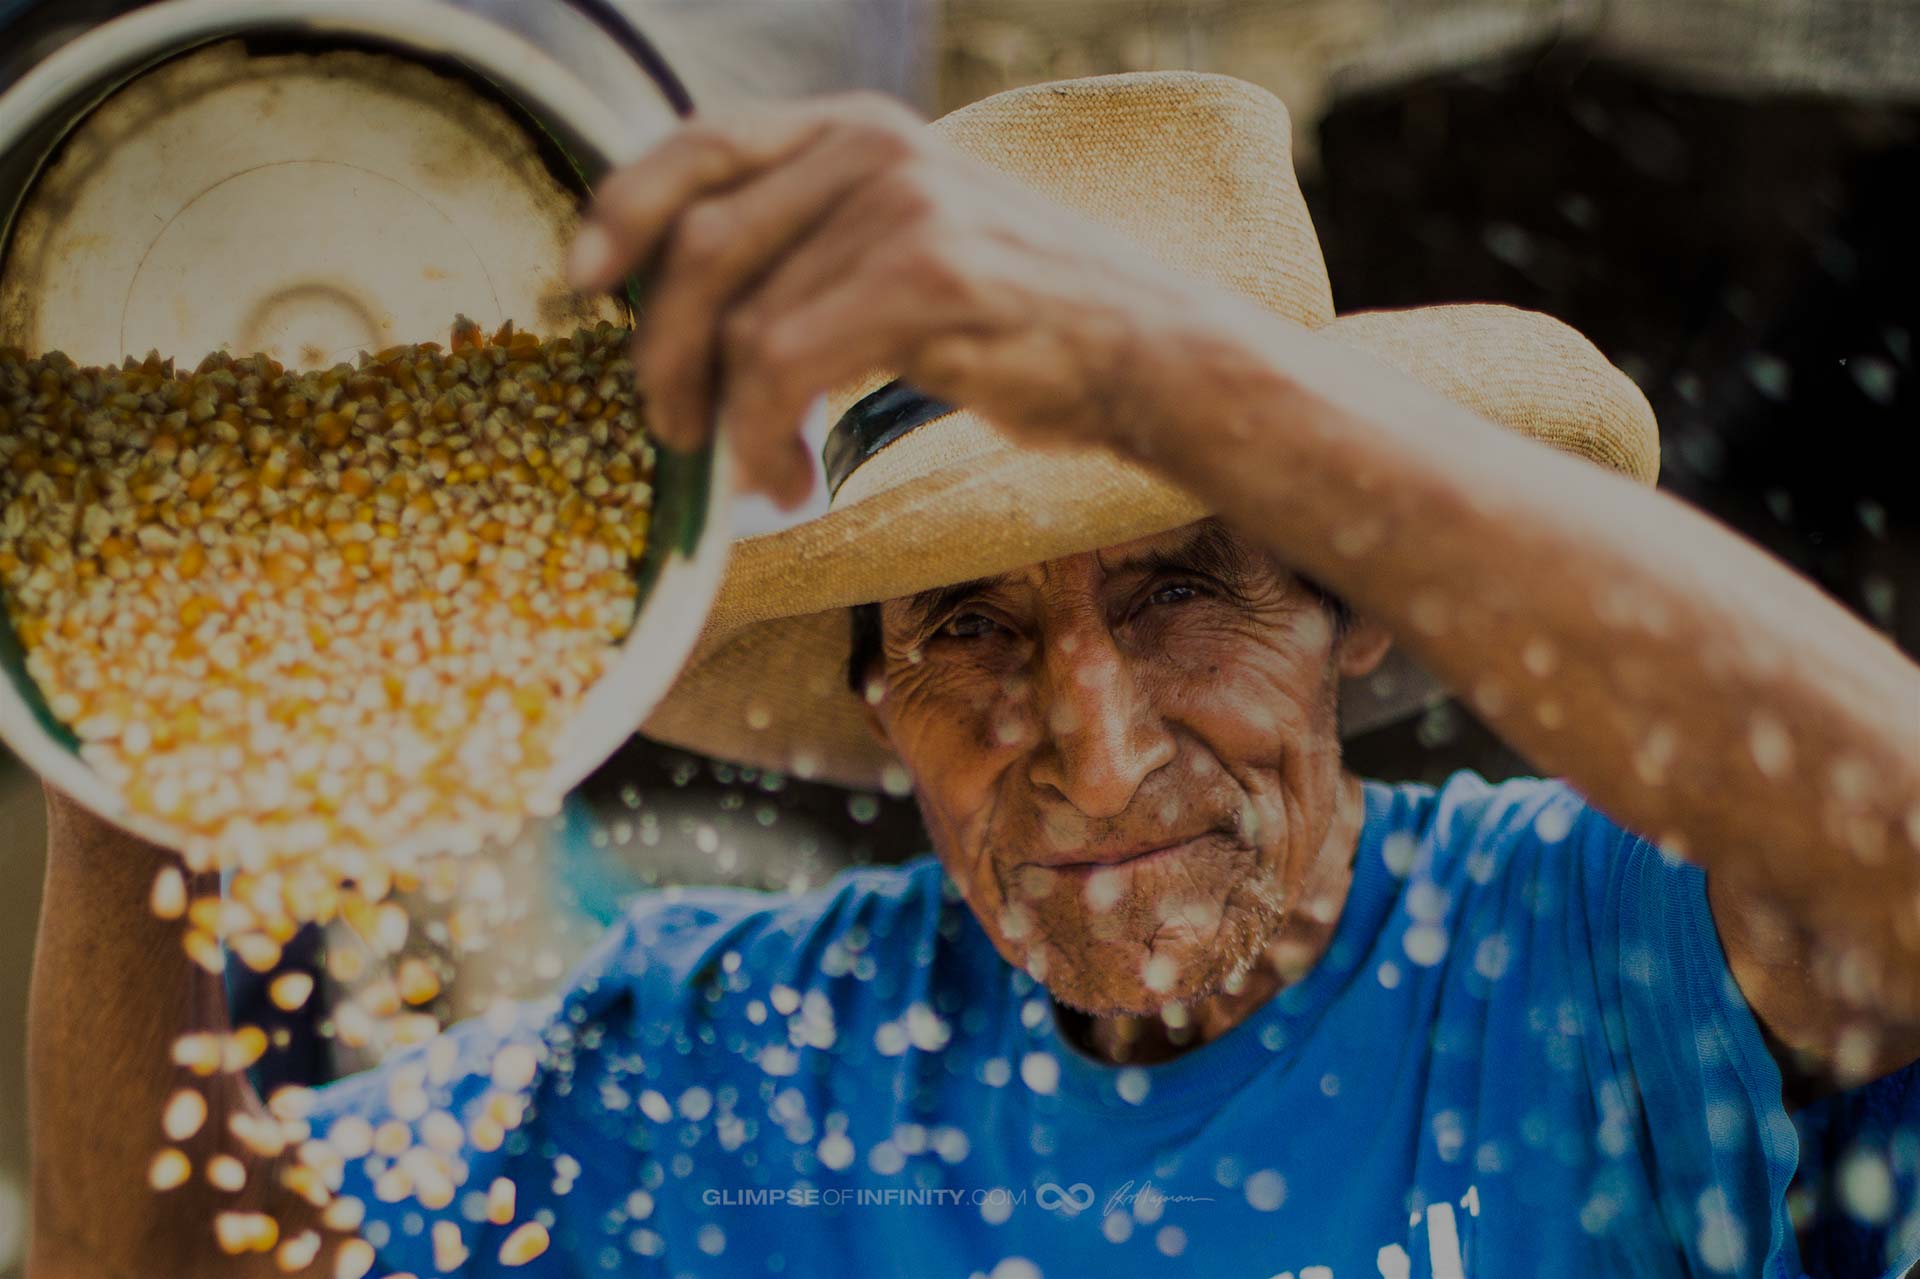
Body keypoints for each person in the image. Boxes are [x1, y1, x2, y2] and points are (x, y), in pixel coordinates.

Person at [27, 71, 1920, 1279]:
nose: (1094, 752)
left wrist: (1163, 377)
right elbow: (150, 1269)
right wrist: (139, 690)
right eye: (972, 632)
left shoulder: (1587, 947)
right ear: (871, 696)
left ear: (1351, 611)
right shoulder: (731, 1067)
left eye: (1187, 590)